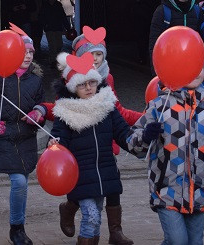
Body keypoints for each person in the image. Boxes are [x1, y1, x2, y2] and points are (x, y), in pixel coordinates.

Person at [46, 28, 143, 245]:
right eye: (82, 84)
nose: (88, 88)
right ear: (73, 87)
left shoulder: (107, 105)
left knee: (96, 215)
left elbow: (123, 134)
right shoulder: (67, 111)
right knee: (90, 215)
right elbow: (58, 137)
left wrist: (142, 139)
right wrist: (54, 145)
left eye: (91, 82)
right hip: (80, 173)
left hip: (104, 170)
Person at [129, 66, 204, 245]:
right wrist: (145, 136)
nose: (193, 72)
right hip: (166, 188)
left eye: (198, 66)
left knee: (194, 242)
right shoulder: (159, 105)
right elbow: (134, 145)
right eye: (187, 65)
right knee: (178, 241)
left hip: (200, 190)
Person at [0, 34, 45, 245]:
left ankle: (19, 227)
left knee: (22, 183)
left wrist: (37, 114)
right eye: (24, 51)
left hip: (26, 137)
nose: (28, 55)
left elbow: (42, 105)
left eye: (31, 51)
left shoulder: (35, 80)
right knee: (19, 182)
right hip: (4, 137)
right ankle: (17, 229)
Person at [148, 0, 203, 69]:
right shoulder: (163, 11)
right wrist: (156, 71)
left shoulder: (197, 10)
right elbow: (154, 43)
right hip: (170, 64)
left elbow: (201, 42)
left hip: (192, 64)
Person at [40, 0, 71, 67]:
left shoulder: (58, 5)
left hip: (58, 27)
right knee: (52, 45)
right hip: (49, 28)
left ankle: (55, 58)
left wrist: (68, 27)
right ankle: (53, 60)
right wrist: (44, 25)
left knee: (59, 44)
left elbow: (63, 16)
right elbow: (42, 16)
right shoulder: (45, 6)